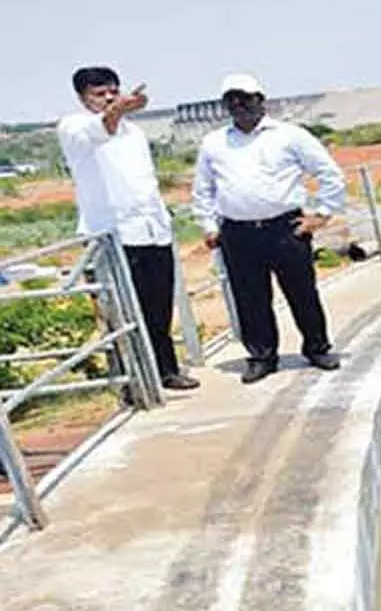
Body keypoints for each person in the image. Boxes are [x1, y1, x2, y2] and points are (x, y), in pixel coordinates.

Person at [192, 73, 346, 385]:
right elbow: (203, 190)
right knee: (250, 298)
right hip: (237, 233)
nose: (240, 105)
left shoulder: (290, 135)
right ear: (225, 105)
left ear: (261, 100)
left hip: (285, 229)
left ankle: (317, 348)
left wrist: (322, 215)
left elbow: (330, 174)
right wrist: (208, 225)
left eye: (246, 98)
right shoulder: (214, 143)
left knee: (302, 292)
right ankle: (262, 357)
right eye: (232, 100)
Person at [56, 66, 200, 391]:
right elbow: (100, 130)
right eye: (99, 94)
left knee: (158, 306)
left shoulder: (133, 132)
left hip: (152, 230)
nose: (108, 98)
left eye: (112, 91)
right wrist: (117, 110)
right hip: (112, 236)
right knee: (120, 313)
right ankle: (131, 382)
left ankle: (165, 370)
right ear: (83, 98)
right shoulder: (75, 127)